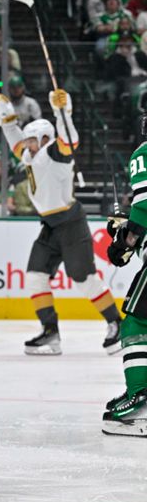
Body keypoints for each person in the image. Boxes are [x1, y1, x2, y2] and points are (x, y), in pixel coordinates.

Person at [0, 90, 122, 355]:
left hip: (71, 223)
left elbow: (70, 141)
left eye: (31, 141)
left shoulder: (54, 153)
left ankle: (116, 324)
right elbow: (15, 141)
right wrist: (6, 117)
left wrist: (64, 113)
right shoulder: (33, 156)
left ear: (44, 139)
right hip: (50, 225)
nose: (26, 146)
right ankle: (50, 332)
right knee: (35, 276)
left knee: (84, 279)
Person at [102, 114, 147, 437]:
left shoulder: (143, 154)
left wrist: (124, 239)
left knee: (136, 322)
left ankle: (141, 399)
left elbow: (144, 208)